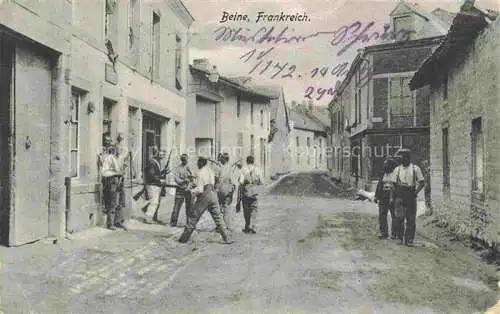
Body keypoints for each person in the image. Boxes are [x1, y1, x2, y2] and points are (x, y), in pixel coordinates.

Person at [178, 156, 233, 244]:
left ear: (201, 163)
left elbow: (200, 189)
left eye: (198, 163)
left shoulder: (200, 173)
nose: (197, 164)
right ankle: (227, 238)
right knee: (218, 218)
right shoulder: (210, 170)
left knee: (193, 216)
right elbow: (211, 181)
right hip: (213, 194)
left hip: (204, 196)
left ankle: (183, 239)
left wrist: (191, 190)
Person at [391, 149, 425, 246]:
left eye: (406, 157)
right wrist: (396, 192)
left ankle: (409, 239)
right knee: (399, 218)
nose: (404, 159)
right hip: (400, 194)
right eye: (403, 157)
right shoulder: (397, 170)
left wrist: (416, 192)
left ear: (409, 158)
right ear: (401, 159)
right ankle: (400, 238)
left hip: (411, 194)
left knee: (411, 218)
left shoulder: (415, 168)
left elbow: (422, 182)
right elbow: (392, 183)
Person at [141, 147, 168, 224]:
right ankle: (148, 218)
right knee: (153, 202)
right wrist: (160, 180)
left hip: (156, 185)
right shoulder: (153, 162)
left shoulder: (156, 162)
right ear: (157, 154)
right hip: (152, 185)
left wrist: (163, 172)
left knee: (155, 202)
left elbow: (156, 174)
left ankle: (151, 216)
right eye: (162, 154)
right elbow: (151, 175)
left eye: (164, 155)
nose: (163, 156)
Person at [238, 155, 264, 234]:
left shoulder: (243, 169)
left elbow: (241, 182)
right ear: (253, 161)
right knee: (254, 209)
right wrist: (256, 183)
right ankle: (253, 226)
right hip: (254, 192)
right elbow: (262, 181)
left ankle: (247, 226)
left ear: (247, 161)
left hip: (246, 192)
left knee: (246, 210)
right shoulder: (258, 169)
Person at [374, 158, 398, 239]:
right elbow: (379, 186)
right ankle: (383, 233)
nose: (385, 167)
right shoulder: (382, 174)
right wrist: (376, 196)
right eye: (384, 165)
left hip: (393, 197)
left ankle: (395, 233)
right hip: (383, 197)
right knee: (382, 215)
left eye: (386, 165)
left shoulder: (396, 175)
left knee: (394, 215)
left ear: (391, 166)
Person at [100, 140, 121, 230]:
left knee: (116, 202)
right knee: (112, 202)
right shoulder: (110, 158)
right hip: (112, 181)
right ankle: (110, 223)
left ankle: (115, 221)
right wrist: (116, 173)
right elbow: (104, 172)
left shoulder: (113, 158)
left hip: (115, 180)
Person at [215, 153, 239, 231]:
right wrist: (234, 189)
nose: (220, 160)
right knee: (227, 207)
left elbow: (217, 179)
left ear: (224, 159)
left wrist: (216, 189)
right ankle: (227, 225)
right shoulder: (230, 168)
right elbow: (234, 181)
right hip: (228, 189)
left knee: (219, 207)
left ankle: (220, 226)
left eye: (222, 158)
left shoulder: (220, 168)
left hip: (220, 189)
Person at [170, 153, 194, 227]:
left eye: (186, 159)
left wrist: (190, 182)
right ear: (181, 160)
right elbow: (176, 178)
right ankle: (173, 223)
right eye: (183, 159)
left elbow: (194, 178)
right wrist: (183, 181)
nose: (185, 161)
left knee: (189, 207)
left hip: (189, 190)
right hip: (180, 189)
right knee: (176, 206)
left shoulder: (191, 167)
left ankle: (189, 223)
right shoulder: (178, 168)